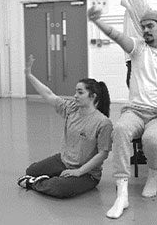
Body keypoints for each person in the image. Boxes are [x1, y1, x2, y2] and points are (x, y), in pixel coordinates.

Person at [88, 7, 157, 219]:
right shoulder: (138, 48)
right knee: (121, 129)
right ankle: (122, 191)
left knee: (151, 139)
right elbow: (117, 36)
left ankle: (153, 173)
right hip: (135, 110)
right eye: (143, 27)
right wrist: (98, 22)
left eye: (150, 26)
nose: (146, 30)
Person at [88, 0, 151, 163]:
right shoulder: (138, 3)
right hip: (135, 59)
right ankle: (142, 150)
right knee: (139, 102)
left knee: (138, 104)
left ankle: (143, 150)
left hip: (138, 59)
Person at [17, 55, 113, 199]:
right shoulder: (71, 108)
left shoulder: (103, 122)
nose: (75, 95)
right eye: (76, 91)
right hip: (63, 160)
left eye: (80, 93)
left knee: (58, 188)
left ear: (92, 96)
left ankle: (36, 184)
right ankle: (43, 179)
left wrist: (79, 172)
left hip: (87, 174)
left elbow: (102, 154)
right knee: (31, 170)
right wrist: (29, 75)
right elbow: (48, 94)